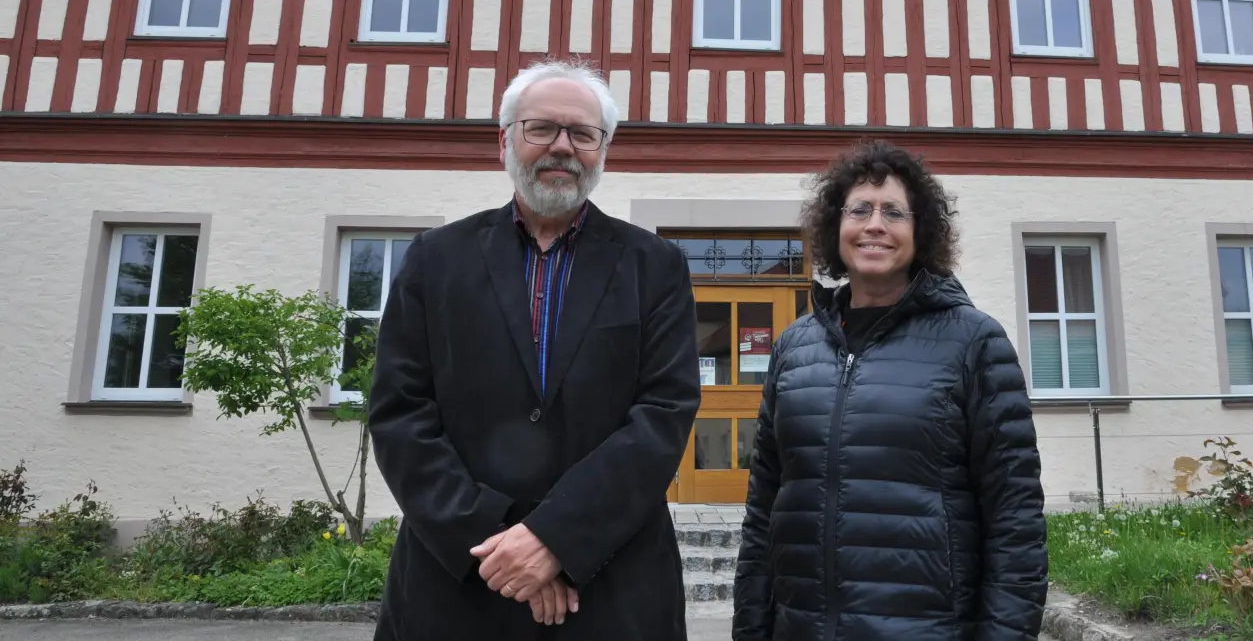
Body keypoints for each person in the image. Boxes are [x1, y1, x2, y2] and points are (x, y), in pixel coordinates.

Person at [368, 58, 701, 640]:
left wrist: (556, 539)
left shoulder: (657, 267)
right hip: (459, 580)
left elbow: (663, 416)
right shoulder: (434, 260)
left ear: (603, 150)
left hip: (612, 588)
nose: (562, 147)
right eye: (541, 128)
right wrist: (505, 546)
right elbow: (401, 414)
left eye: (583, 134)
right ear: (505, 140)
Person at [732, 139, 1048, 641]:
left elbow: (1016, 520)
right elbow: (763, 509)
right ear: (836, 226)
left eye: (894, 212)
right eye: (859, 209)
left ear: (919, 233)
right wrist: (751, 628)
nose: (874, 224)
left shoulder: (974, 342)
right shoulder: (794, 346)